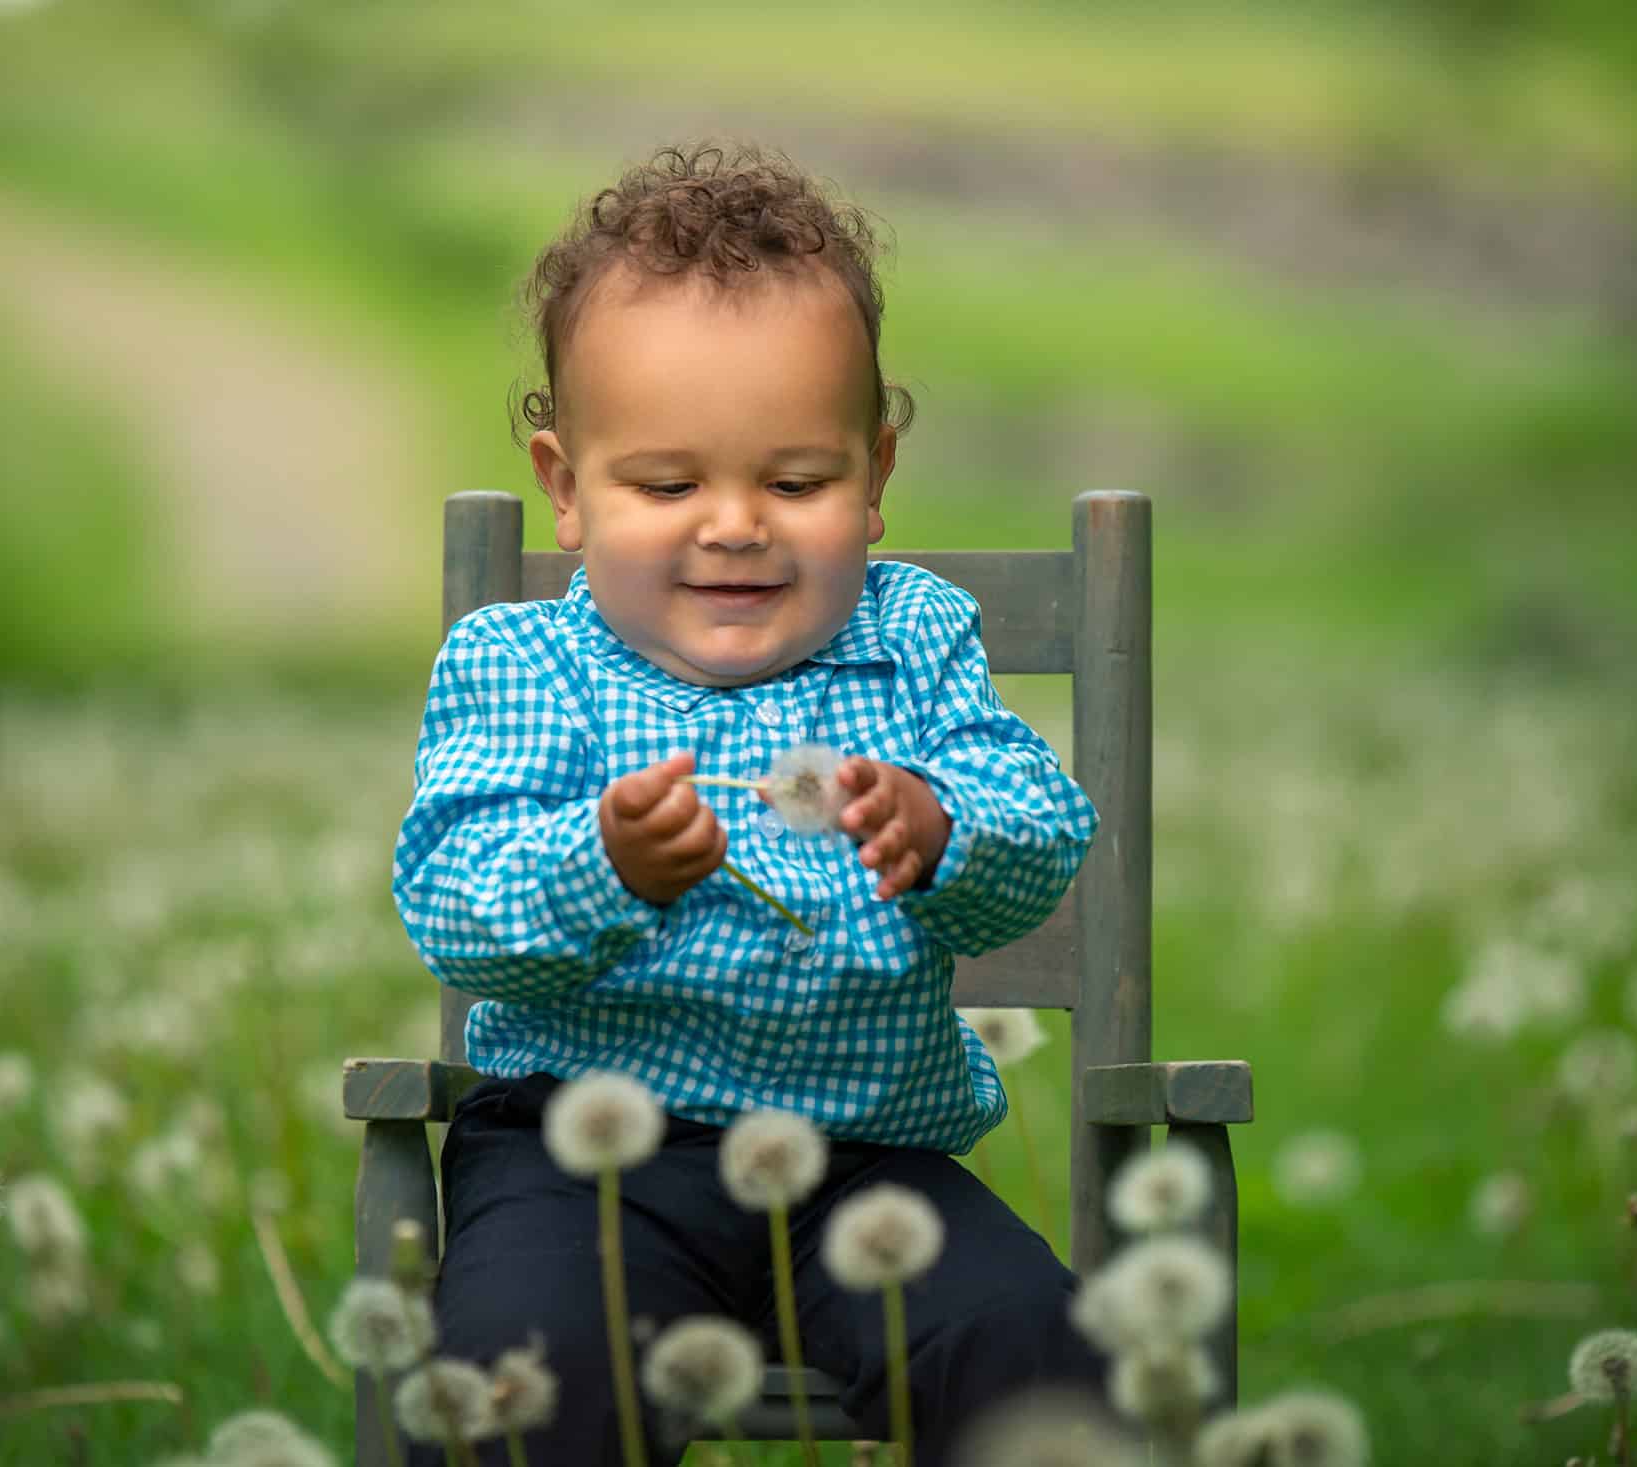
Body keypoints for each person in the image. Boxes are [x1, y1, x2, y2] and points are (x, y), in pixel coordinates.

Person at [391, 140, 1106, 1466]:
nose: (734, 525)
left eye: (796, 480)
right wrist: (604, 866)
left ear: (878, 471)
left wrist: (947, 829)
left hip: (869, 1163)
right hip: (580, 1163)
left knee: (1037, 1362)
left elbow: (1046, 828)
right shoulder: (523, 661)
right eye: (667, 485)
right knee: (522, 1388)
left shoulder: (919, 640)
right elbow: (453, 899)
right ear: (565, 487)